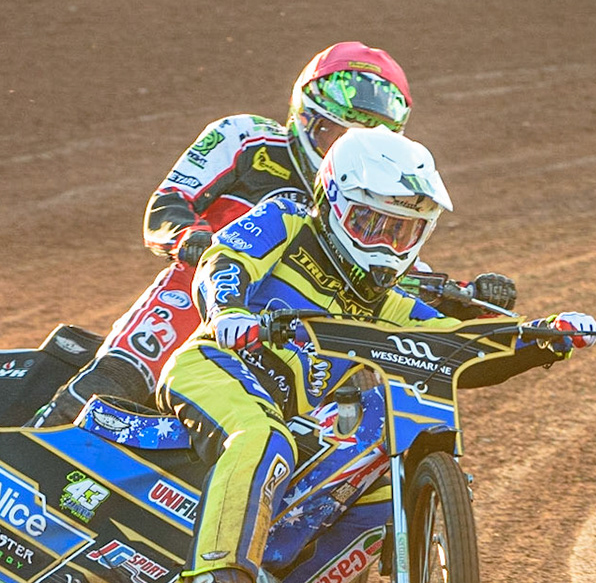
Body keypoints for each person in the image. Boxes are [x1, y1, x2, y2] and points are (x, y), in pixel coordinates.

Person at [159, 126, 596, 583]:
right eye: (371, 224)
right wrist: (229, 311)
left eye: (403, 232)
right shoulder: (288, 220)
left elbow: (460, 349)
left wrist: (542, 339)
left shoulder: (390, 305)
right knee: (261, 436)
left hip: (294, 415)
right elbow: (224, 260)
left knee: (383, 493)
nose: (387, 246)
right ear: (333, 203)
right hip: (212, 368)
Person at [34, 43, 515, 425]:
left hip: (303, 320)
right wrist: (193, 239)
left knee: (372, 378)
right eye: (334, 134)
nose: (339, 151)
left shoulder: (377, 194)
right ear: (305, 116)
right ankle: (48, 433)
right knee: (142, 350)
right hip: (210, 290)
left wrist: (466, 298)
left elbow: (396, 267)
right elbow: (168, 203)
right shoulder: (245, 137)